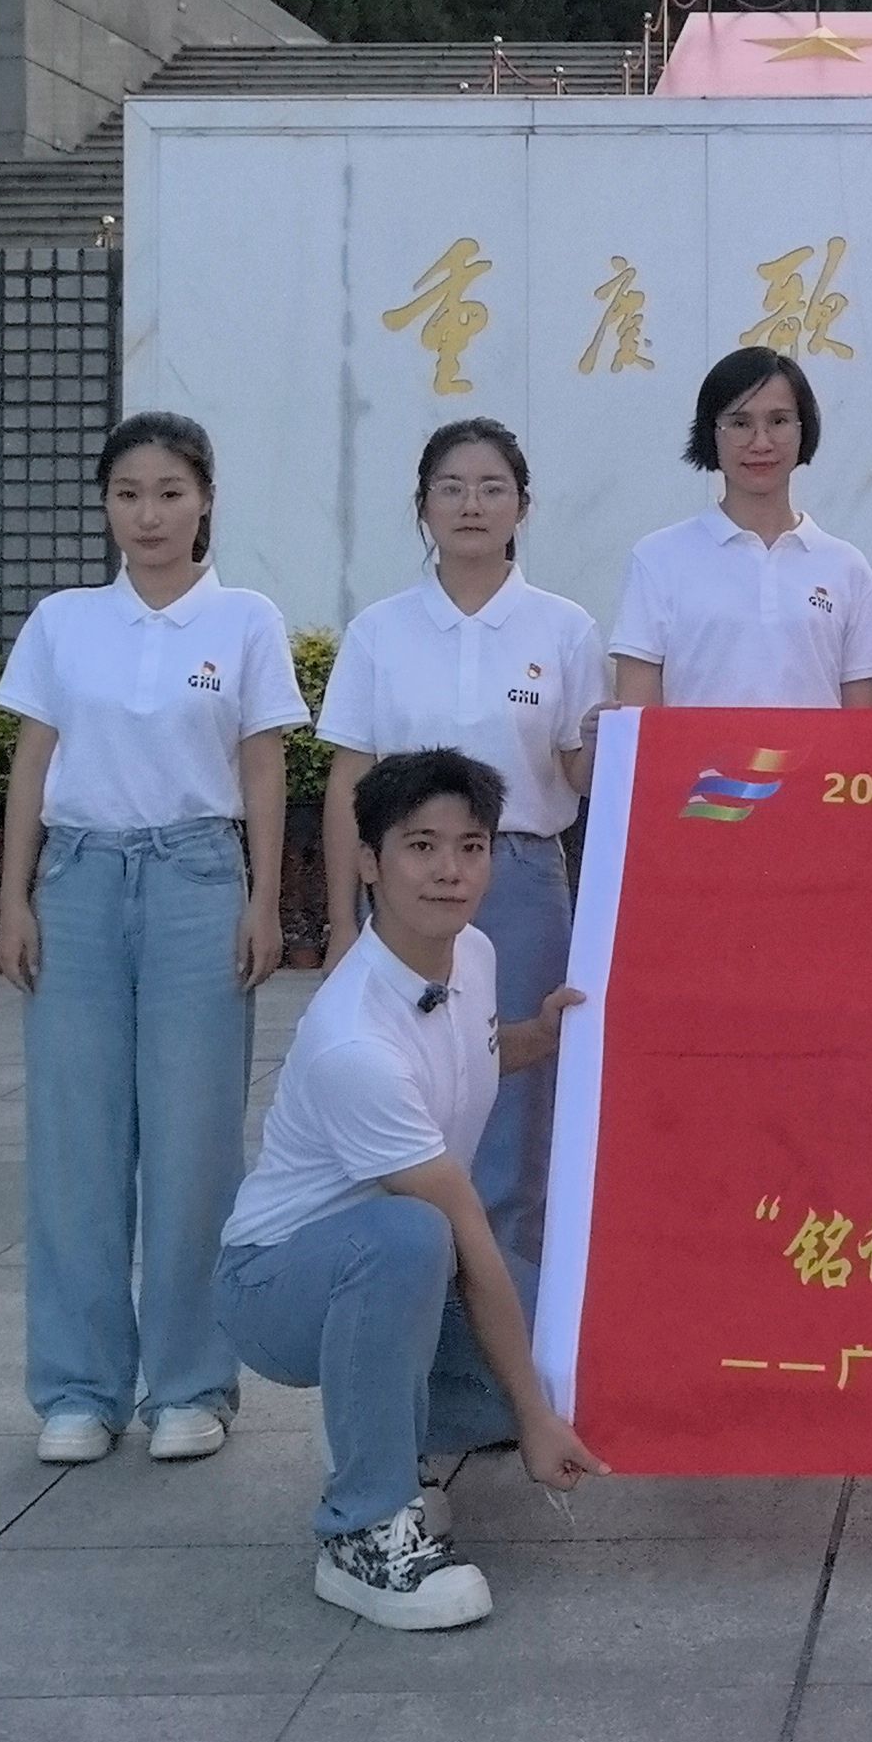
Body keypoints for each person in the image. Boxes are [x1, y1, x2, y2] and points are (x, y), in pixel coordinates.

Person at [215, 747, 607, 1631]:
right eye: (421, 846)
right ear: (369, 862)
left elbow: (470, 1055)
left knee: (572, 1328)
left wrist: (541, 1036)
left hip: (398, 1270)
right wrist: (534, 1419)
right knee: (416, 1237)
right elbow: (460, 1223)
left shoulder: (472, 953)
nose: (449, 871)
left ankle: (379, 1425)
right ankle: (363, 1529)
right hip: (276, 1286)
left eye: (471, 847)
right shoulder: (354, 1039)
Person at [0, 411, 307, 1470]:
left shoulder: (246, 620)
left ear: (206, 500)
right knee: (75, 1144)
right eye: (128, 494)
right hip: (79, 883)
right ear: (105, 505)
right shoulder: (64, 621)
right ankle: (79, 1387)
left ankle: (190, 1384)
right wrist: (15, 898)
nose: (150, 515)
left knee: (193, 1144)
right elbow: (34, 760)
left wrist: (263, 901)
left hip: (195, 883)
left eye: (171, 493)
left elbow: (262, 765)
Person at [316, 417, 604, 1285]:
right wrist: (342, 919)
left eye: (491, 488)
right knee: (410, 1098)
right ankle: (421, 1314)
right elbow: (349, 778)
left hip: (520, 880)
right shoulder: (381, 630)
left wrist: (614, 741)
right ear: (423, 507)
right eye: (451, 488)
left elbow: (580, 774)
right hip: (404, 892)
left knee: (517, 1108)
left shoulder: (563, 628)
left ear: (523, 506)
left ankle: (509, 1334)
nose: (471, 505)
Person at [611, 347, 872, 712]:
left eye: (779, 421)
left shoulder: (846, 567)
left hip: (816, 754)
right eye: (740, 424)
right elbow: (638, 718)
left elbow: (862, 723)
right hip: (696, 754)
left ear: (803, 430)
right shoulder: (658, 558)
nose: (761, 442)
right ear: (712, 434)